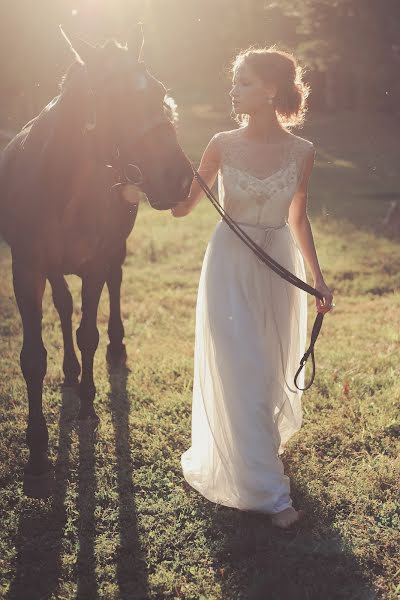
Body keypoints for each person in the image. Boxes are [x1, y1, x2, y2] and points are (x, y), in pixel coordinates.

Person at [171, 46, 334, 529]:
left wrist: (317, 281)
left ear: (270, 90)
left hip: (277, 262)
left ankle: (255, 451)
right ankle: (269, 495)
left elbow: (298, 218)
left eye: (243, 82)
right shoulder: (221, 143)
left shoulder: (303, 151)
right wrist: (138, 187)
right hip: (228, 263)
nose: (234, 90)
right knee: (240, 361)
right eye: (235, 81)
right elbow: (183, 206)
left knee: (267, 366)